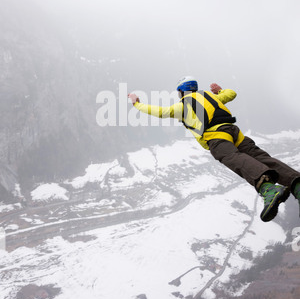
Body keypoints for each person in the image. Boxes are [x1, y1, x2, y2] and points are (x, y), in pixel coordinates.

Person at [128, 76, 300, 222]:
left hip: (217, 136)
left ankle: (268, 188)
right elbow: (231, 94)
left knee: (231, 157)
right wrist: (219, 91)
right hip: (234, 132)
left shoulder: (182, 105)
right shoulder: (211, 96)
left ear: (181, 92)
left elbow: (159, 112)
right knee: (260, 157)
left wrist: (137, 104)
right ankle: (296, 183)